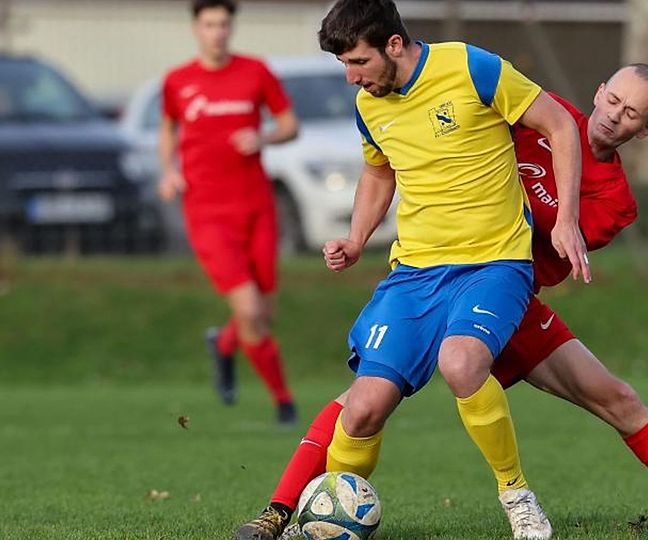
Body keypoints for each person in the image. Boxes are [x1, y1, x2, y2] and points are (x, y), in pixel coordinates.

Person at [237, 63, 648, 540]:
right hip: (433, 272)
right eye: (612, 99)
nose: (614, 114)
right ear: (598, 92)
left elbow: (546, 251)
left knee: (617, 398)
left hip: (501, 295)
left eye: (631, 113)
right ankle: (277, 514)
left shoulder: (614, 201)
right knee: (361, 402)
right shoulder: (542, 112)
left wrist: (534, 218)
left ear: (646, 132)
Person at [235, 0, 587, 538]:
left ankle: (517, 496)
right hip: (415, 273)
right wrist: (356, 239)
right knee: (361, 410)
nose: (353, 78)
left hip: (493, 262)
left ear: (393, 45)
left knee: (462, 362)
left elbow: (560, 124)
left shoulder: (472, 67)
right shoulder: (369, 105)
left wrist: (566, 219)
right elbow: (379, 174)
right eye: (345, 67)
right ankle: (325, 523)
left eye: (358, 63)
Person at [158, 0, 300, 425]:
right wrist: (167, 171)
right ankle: (284, 403)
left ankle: (223, 344)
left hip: (257, 207)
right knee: (251, 310)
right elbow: (168, 128)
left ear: (231, 27)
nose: (217, 32)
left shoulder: (255, 71)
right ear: (196, 29)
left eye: (224, 24)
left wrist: (264, 138)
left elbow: (290, 124)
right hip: (207, 213)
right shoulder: (178, 81)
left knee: (264, 313)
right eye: (209, 24)